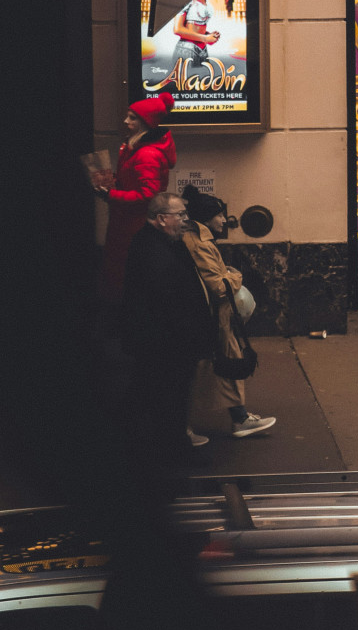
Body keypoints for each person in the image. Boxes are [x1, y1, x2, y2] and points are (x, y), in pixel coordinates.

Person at [119, 190, 217, 461]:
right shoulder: (154, 251)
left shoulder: (161, 241)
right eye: (181, 215)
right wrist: (188, 338)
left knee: (149, 394)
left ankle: (136, 443)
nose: (186, 219)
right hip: (165, 343)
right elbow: (167, 303)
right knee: (170, 398)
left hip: (160, 341)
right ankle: (175, 453)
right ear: (162, 219)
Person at [180, 186, 275, 439]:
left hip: (213, 318)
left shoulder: (200, 239)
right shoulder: (199, 242)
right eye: (220, 215)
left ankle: (240, 418)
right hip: (211, 318)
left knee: (222, 365)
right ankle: (184, 426)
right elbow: (218, 286)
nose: (224, 220)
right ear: (207, 217)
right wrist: (235, 276)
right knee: (207, 371)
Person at [92, 92, 176, 304]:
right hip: (127, 221)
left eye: (132, 117)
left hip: (133, 224)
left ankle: (122, 324)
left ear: (145, 123)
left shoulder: (146, 154)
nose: (125, 121)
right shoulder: (134, 147)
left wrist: (111, 194)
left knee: (125, 276)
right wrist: (113, 182)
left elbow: (148, 195)